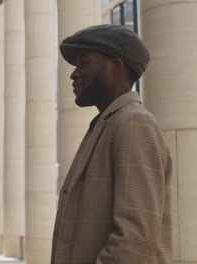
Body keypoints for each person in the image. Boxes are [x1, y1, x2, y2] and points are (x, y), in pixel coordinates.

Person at [51, 24, 172, 264]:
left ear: (116, 67)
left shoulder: (133, 123)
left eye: (83, 63)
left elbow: (134, 238)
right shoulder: (109, 123)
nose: (74, 73)